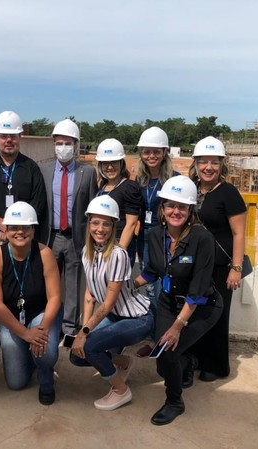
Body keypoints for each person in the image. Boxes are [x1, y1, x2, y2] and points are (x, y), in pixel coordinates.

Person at [135, 175, 223, 425]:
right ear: (162, 208)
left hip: (202, 306)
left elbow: (198, 289)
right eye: (170, 205)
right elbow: (152, 272)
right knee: (163, 362)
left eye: (182, 206)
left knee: (167, 353)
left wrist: (177, 326)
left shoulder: (202, 238)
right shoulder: (154, 235)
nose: (176, 211)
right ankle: (188, 361)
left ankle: (175, 401)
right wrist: (128, 286)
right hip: (168, 301)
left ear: (190, 210)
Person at [69, 195, 153, 411]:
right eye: (95, 222)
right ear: (89, 224)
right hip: (114, 315)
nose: (100, 229)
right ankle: (123, 362)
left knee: (89, 346)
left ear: (114, 226)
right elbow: (90, 295)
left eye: (106, 223)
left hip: (137, 318)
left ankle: (120, 390)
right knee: (77, 356)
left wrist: (83, 334)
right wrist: (82, 329)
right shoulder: (88, 253)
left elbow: (106, 304)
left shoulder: (118, 255)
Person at [0, 111, 48, 341]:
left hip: (22, 240)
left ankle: (19, 327)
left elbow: (38, 204)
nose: (8, 140)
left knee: (19, 283)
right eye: (4, 136)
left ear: (20, 137)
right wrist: (0, 224)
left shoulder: (30, 168)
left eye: (13, 135)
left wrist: (14, 231)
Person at [0, 202, 62, 405]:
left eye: (26, 227)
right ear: (6, 230)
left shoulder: (44, 254)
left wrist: (42, 329)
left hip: (41, 313)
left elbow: (54, 297)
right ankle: (30, 356)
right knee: (16, 382)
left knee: (45, 351)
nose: (20, 232)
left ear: (33, 229)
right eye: (14, 228)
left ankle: (46, 376)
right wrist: (26, 334)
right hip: (11, 317)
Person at [187, 136, 247, 382]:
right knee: (195, 313)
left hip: (221, 268)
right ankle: (196, 359)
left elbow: (239, 233)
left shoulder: (228, 193)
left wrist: (236, 267)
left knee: (218, 315)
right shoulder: (192, 188)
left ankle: (217, 365)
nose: (208, 167)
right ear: (196, 164)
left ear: (222, 164)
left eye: (214, 162)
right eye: (203, 162)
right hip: (196, 265)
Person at [39, 119, 97, 335]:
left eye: (68, 143)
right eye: (59, 143)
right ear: (53, 145)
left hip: (75, 237)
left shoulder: (87, 172)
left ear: (76, 145)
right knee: (49, 282)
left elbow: (91, 207)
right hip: (50, 237)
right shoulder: (43, 170)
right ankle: (48, 322)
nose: (63, 148)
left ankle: (70, 327)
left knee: (73, 284)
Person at [134, 126, 180, 357]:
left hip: (169, 240)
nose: (151, 156)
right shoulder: (140, 180)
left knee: (167, 289)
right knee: (151, 288)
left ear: (164, 152)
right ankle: (154, 338)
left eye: (156, 151)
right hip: (146, 240)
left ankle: (165, 337)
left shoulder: (174, 180)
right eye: (146, 152)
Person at [95, 138, 142, 266]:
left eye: (114, 162)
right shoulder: (102, 187)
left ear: (121, 163)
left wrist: (119, 252)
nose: (109, 167)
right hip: (102, 242)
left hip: (118, 242)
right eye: (105, 163)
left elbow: (131, 223)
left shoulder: (129, 187)